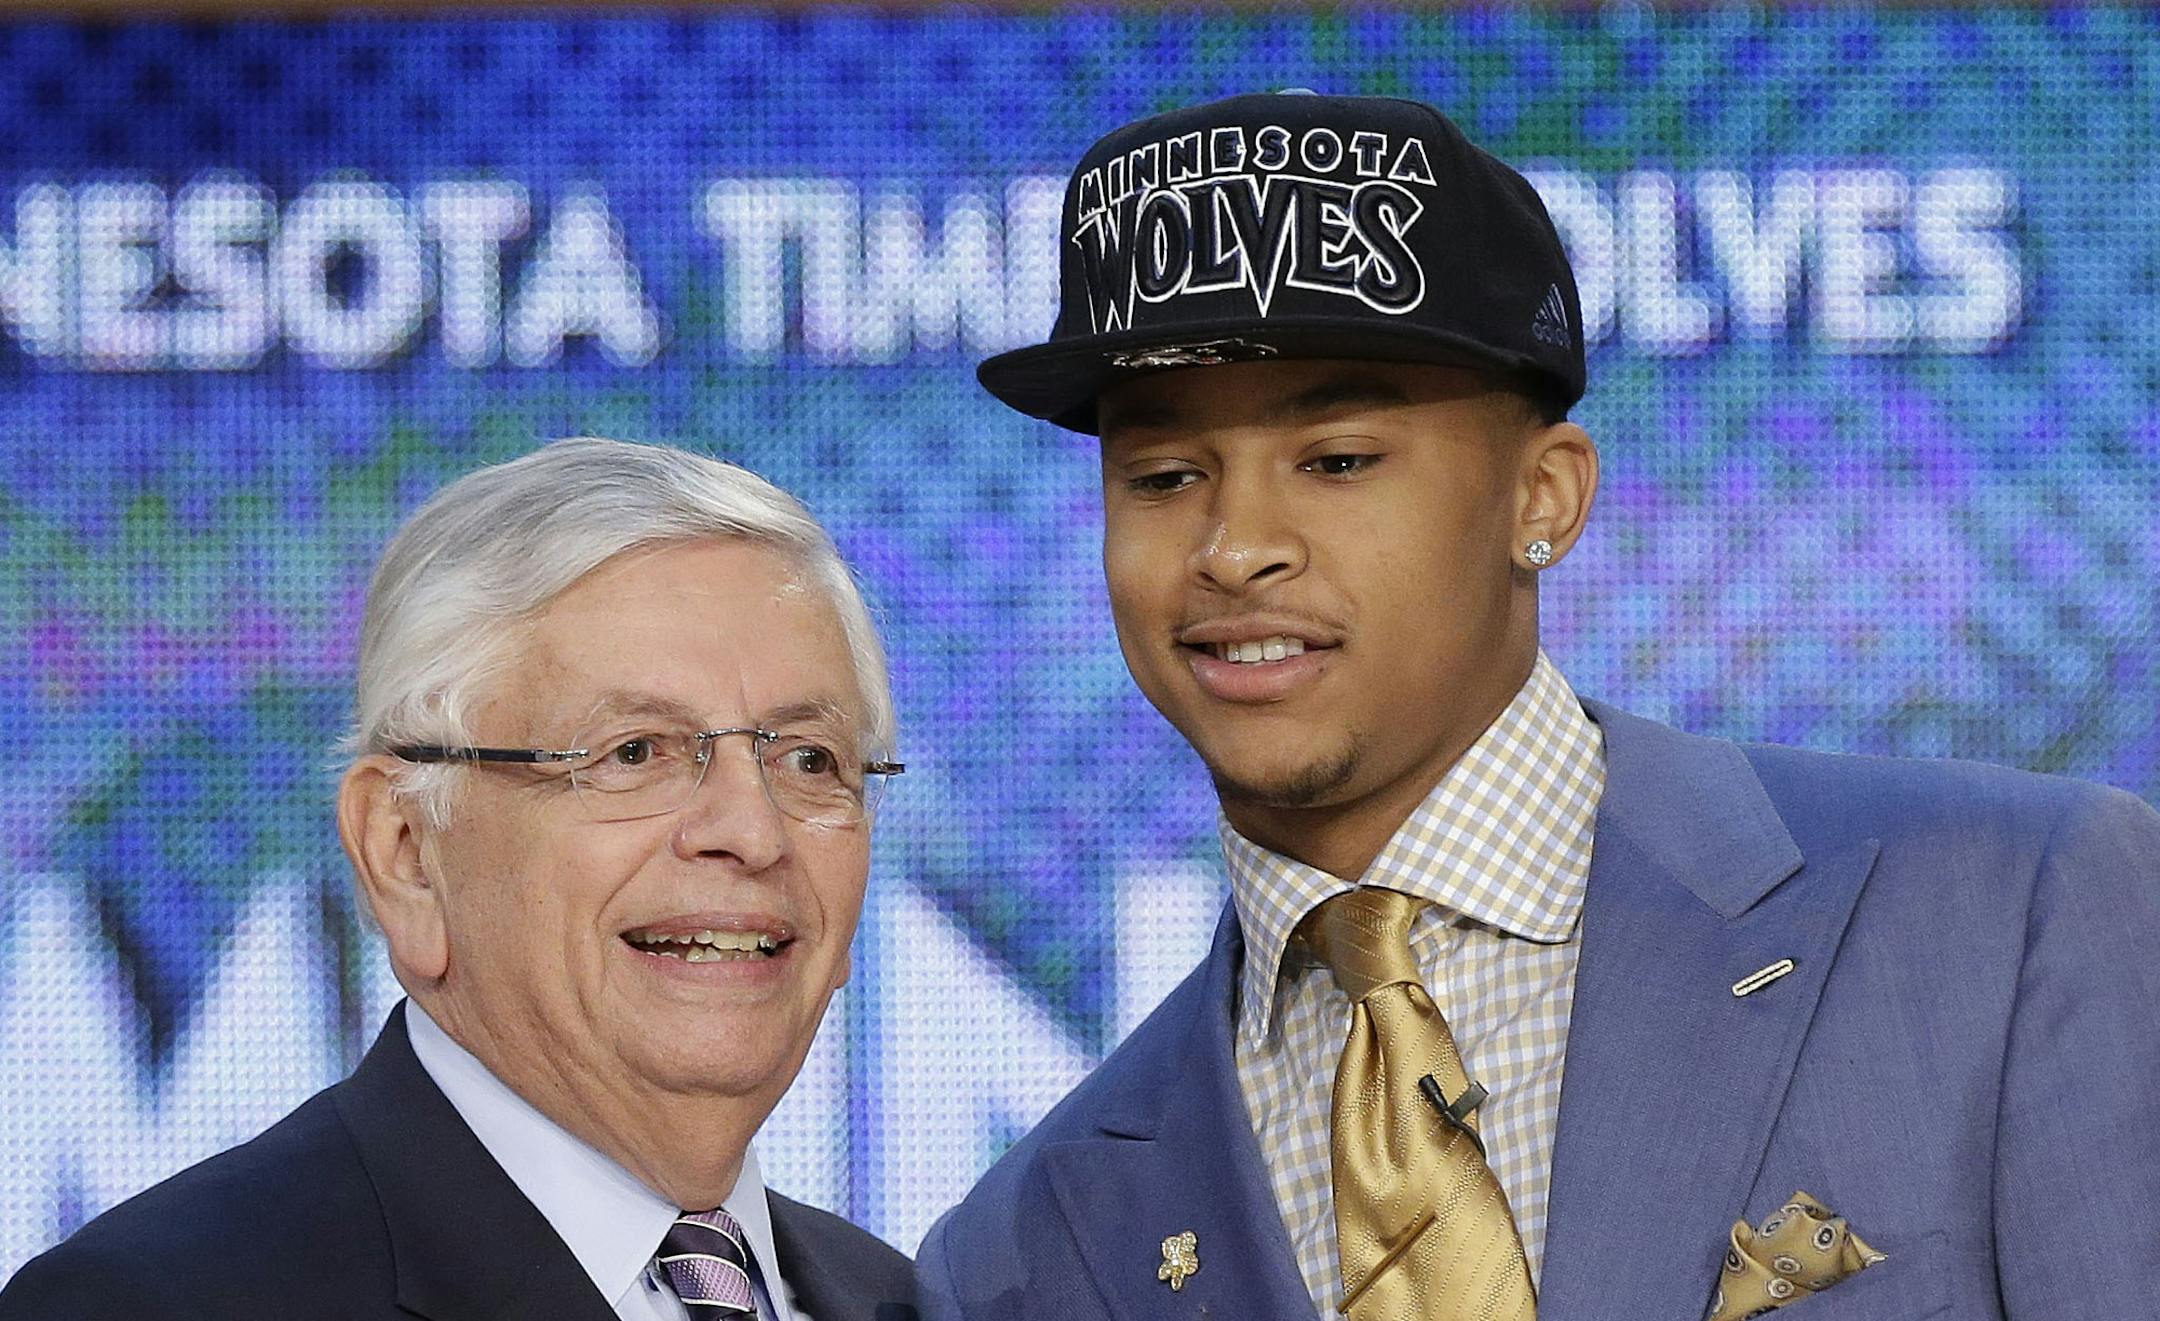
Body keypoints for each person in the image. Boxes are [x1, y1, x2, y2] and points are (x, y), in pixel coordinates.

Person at [918, 91, 2160, 1321]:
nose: (1236, 546)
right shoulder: (1021, 1249)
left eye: (1338, 459)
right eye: (1164, 474)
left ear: (1544, 499)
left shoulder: (2014, 912)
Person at [1, 438, 918, 1321]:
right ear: (405, 852)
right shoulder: (157, 1302)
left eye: (810, 759)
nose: (754, 832)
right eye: (634, 751)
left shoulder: (907, 1298)